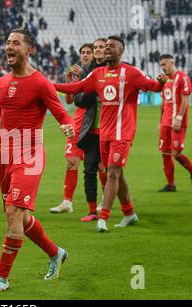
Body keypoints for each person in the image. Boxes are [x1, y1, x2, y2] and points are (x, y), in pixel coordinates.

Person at [0, 28, 75, 293]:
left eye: (15, 43)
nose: (8, 47)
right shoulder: (1, 83)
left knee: (13, 213)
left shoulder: (41, 83)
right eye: (7, 42)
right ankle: (56, 253)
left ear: (29, 50)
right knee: (20, 218)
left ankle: (1, 278)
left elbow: (62, 114)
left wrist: (68, 126)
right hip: (6, 157)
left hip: (30, 155)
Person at [54, 36, 167, 232]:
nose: (106, 49)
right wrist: (50, 85)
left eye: (110, 46)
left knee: (112, 172)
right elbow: (76, 88)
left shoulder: (131, 73)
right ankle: (129, 212)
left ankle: (102, 217)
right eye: (105, 46)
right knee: (117, 173)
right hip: (104, 134)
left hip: (123, 133)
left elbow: (154, 87)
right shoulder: (97, 74)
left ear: (120, 51)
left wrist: (161, 82)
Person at [50, 43, 106, 216]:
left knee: (99, 166)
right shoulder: (78, 75)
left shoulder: (96, 74)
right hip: (76, 124)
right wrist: (68, 82)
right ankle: (67, 202)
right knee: (71, 162)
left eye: (89, 52)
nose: (86, 55)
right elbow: (68, 101)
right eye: (83, 52)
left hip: (93, 125)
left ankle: (105, 200)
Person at [73, 38, 109, 222]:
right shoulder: (87, 72)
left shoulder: (116, 69)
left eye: (101, 47)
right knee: (89, 170)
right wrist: (92, 88)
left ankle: (111, 206)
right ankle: (93, 211)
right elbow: (78, 100)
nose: (97, 50)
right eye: (95, 47)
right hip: (92, 131)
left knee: (112, 171)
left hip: (110, 131)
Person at [157, 54, 192, 192]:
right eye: (161, 65)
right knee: (165, 153)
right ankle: (171, 184)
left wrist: (179, 118)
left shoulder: (183, 78)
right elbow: (163, 102)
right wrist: (160, 121)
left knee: (176, 153)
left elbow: (185, 99)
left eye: (164, 64)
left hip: (177, 122)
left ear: (172, 62)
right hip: (165, 122)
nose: (163, 68)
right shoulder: (166, 81)